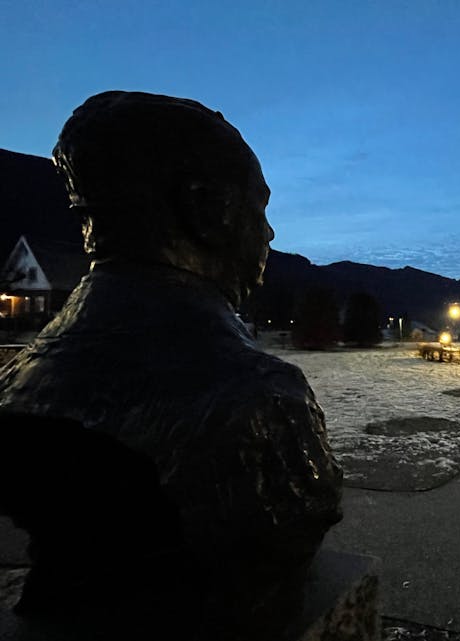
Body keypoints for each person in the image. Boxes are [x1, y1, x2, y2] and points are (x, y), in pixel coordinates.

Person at [0, 91, 343, 628]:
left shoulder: (18, 383)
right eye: (260, 209)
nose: (270, 235)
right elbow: (288, 539)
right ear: (204, 209)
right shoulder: (257, 403)